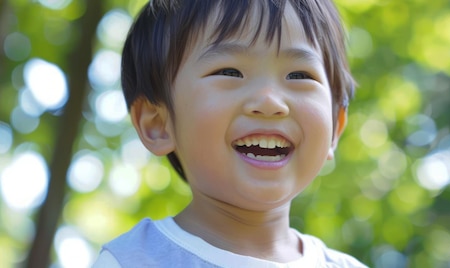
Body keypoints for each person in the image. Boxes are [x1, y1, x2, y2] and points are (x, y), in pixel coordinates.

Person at [93, 0, 366, 267]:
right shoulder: (132, 261)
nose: (270, 102)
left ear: (335, 127)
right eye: (230, 72)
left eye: (299, 75)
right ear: (158, 123)